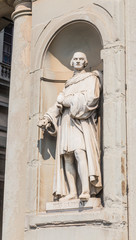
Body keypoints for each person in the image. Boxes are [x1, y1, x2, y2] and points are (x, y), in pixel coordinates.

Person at [38, 52, 102, 201]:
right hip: (66, 122)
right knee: (67, 157)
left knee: (80, 152)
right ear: (72, 63)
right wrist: (47, 118)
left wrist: (68, 100)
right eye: (75, 59)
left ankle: (85, 190)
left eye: (81, 59)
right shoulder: (69, 83)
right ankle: (72, 192)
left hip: (81, 121)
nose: (78, 61)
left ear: (85, 63)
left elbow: (92, 99)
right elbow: (58, 104)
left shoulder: (91, 78)